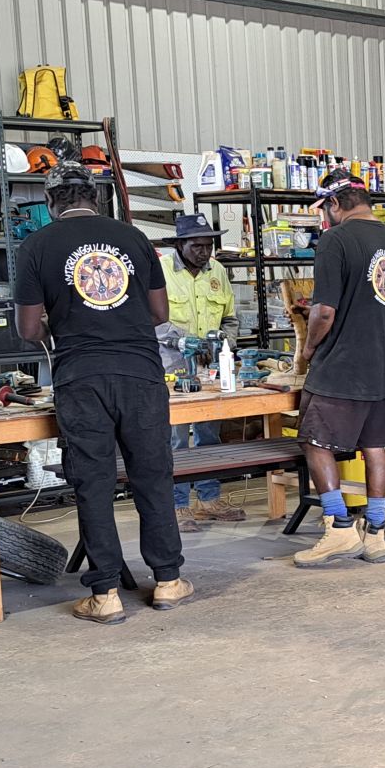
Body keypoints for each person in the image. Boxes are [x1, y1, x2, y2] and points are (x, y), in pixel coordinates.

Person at [14, 158, 188, 623]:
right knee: (152, 474)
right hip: (140, 374)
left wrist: (67, 322)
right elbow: (158, 313)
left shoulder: (36, 245)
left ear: (51, 202)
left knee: (93, 483)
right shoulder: (133, 238)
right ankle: (168, 581)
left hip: (80, 377)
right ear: (96, 198)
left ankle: (105, 593)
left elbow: (29, 327)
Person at [289, 170, 385, 569]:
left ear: (335, 204)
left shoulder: (336, 240)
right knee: (376, 445)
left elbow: (324, 312)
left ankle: (339, 527)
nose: (325, 218)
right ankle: (375, 533)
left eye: (325, 210)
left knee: (315, 440)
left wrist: (307, 348)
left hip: (343, 365)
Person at [159, 212, 240, 531]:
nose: (204, 252)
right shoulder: (161, 271)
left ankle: (208, 499)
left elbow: (230, 319)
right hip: (172, 368)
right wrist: (184, 341)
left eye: (208, 245)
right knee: (176, 439)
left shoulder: (217, 270)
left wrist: (224, 345)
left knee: (209, 434)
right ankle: (178, 506)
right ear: (180, 244)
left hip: (210, 366)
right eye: (197, 246)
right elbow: (152, 320)